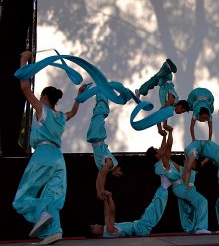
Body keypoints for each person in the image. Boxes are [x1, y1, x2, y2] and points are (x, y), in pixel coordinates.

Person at [12, 51, 87, 245]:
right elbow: (74, 111)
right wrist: (79, 96)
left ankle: (41, 213)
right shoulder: (61, 116)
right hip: (58, 159)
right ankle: (53, 232)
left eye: (41, 96)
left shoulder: (42, 110)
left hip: (43, 156)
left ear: (45, 97)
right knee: (52, 197)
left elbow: (24, 87)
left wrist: (23, 60)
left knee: (21, 199)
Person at [145, 127, 211, 234]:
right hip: (180, 187)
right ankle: (200, 228)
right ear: (156, 155)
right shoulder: (163, 163)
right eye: (157, 149)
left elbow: (164, 147)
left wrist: (164, 135)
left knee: (190, 208)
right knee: (202, 201)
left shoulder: (163, 161)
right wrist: (170, 132)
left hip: (179, 187)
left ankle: (193, 229)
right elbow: (168, 147)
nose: (159, 148)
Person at [89, 179, 170, 238]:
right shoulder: (109, 231)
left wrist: (106, 200)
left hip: (138, 227)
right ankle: (164, 187)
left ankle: (164, 186)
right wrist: (109, 197)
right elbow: (110, 214)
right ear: (94, 233)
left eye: (93, 225)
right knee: (153, 210)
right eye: (93, 227)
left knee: (152, 209)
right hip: (139, 229)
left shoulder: (107, 229)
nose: (95, 225)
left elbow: (107, 213)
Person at [135, 58, 189, 136]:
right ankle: (167, 67)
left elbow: (162, 114)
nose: (180, 113)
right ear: (180, 106)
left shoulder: (170, 107)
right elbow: (163, 110)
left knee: (153, 81)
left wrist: (162, 127)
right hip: (165, 79)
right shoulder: (174, 101)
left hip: (163, 81)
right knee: (155, 78)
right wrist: (162, 125)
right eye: (182, 111)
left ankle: (140, 91)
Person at [86, 92, 123, 201]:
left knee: (99, 114)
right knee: (102, 112)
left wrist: (99, 191)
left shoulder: (104, 167)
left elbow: (99, 177)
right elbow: (102, 175)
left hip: (95, 137)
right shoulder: (110, 163)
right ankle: (102, 90)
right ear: (119, 168)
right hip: (98, 136)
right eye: (119, 174)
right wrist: (101, 189)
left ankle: (101, 93)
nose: (117, 175)